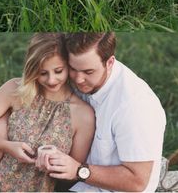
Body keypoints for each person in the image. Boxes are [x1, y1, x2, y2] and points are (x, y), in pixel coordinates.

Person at [0, 33, 95, 193]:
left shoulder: (83, 115)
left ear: (68, 65)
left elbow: (72, 176)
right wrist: (6, 146)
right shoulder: (14, 89)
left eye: (58, 71)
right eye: (43, 73)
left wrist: (54, 164)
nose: (51, 80)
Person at [43, 32, 166, 193]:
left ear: (110, 62)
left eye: (88, 72)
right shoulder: (77, 74)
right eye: (73, 68)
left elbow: (137, 182)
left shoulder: (134, 106)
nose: (78, 79)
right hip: (74, 180)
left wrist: (78, 170)